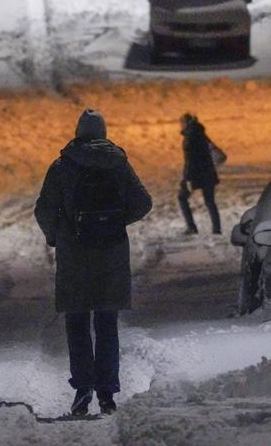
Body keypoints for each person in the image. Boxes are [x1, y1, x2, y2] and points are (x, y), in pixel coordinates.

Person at [35, 109, 152, 416]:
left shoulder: (62, 166)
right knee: (106, 324)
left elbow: (44, 210)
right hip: (111, 255)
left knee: (77, 324)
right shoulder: (118, 164)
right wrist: (115, 223)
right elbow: (143, 202)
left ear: (78, 131)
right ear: (102, 132)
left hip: (74, 255)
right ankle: (108, 393)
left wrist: (56, 236)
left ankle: (83, 388)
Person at [178, 113, 223, 236]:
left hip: (195, 176)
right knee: (210, 201)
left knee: (182, 198)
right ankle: (217, 230)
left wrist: (187, 178)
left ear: (185, 123)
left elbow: (190, 161)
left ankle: (191, 227)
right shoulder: (201, 134)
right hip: (208, 173)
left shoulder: (189, 138)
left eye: (181, 123)